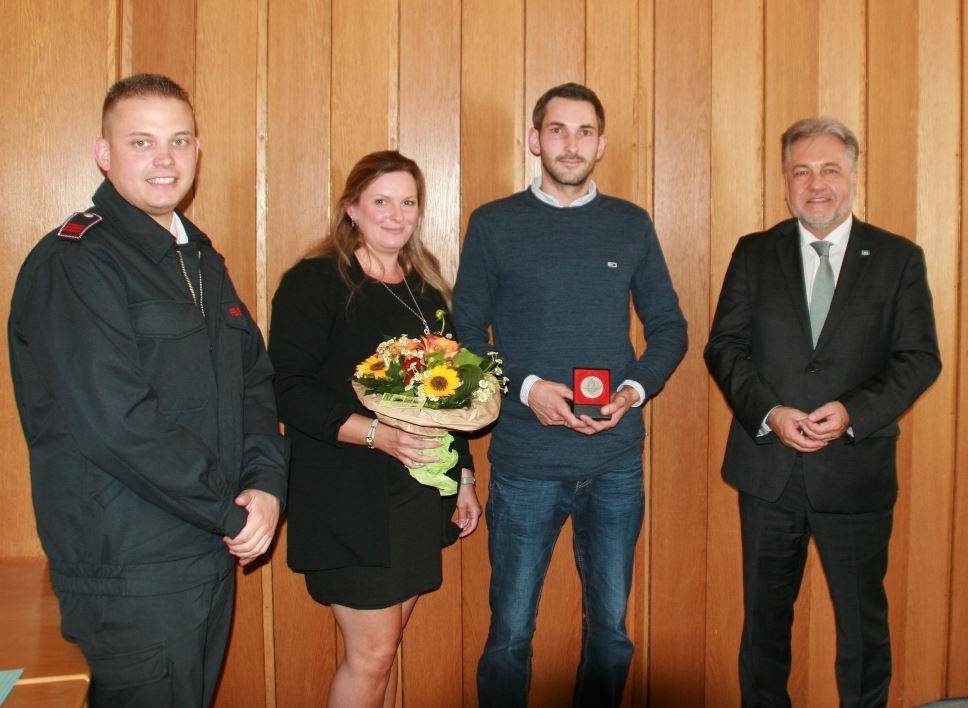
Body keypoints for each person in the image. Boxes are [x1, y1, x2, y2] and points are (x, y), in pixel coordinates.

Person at [7, 73, 287, 706]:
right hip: (130, 571)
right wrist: (230, 512)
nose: (165, 160)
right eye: (141, 142)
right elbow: (117, 424)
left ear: (197, 151)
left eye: (180, 140)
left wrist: (266, 486)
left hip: (208, 554)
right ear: (103, 154)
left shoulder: (200, 259)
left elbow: (253, 386)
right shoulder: (75, 262)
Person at [452, 82, 687, 707]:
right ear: (535, 139)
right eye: (557, 129)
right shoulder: (494, 223)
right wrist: (526, 389)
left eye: (585, 132)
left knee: (611, 635)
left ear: (602, 144)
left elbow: (669, 327)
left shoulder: (630, 224)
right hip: (525, 467)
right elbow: (466, 333)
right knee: (509, 636)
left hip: (614, 465)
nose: (571, 144)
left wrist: (634, 390)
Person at [705, 116, 940, 707]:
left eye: (830, 169)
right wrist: (771, 412)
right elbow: (724, 346)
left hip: (855, 470)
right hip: (769, 471)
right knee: (764, 627)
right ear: (785, 181)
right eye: (801, 170)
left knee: (863, 627)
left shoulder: (897, 259)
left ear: (854, 176)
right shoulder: (754, 254)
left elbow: (919, 358)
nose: (816, 184)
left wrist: (853, 411)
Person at [268, 150, 481, 708]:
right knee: (371, 657)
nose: (395, 214)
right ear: (351, 209)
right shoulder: (315, 283)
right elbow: (289, 389)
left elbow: (452, 395)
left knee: (384, 654)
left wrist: (464, 478)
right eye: (380, 201)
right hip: (345, 497)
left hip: (414, 494)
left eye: (407, 202)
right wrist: (376, 434)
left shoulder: (426, 289)